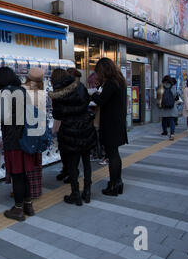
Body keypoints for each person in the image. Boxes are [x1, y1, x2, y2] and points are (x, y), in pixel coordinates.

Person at [0, 66, 37, 221]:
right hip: (26, 138)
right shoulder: (23, 90)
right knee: (25, 174)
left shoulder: (4, 93)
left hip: (13, 140)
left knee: (17, 175)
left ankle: (18, 209)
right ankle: (28, 205)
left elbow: (2, 118)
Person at [49, 68, 96, 205]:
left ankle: (75, 193)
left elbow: (57, 115)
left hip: (69, 131)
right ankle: (87, 191)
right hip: (86, 128)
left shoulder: (58, 94)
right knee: (86, 162)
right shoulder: (79, 86)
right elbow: (87, 101)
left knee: (72, 164)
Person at [90, 57, 128, 196]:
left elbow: (101, 100)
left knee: (112, 155)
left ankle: (113, 185)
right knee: (115, 154)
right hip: (117, 123)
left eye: (98, 72)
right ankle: (118, 182)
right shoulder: (120, 81)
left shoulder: (111, 83)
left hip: (111, 124)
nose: (98, 75)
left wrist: (93, 94)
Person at [22, 67, 45, 199]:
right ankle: (35, 191)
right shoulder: (41, 93)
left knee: (24, 161)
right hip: (37, 131)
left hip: (25, 130)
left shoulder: (22, 90)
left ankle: (22, 190)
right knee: (36, 161)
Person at [157, 75, 178, 141]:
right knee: (171, 120)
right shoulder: (173, 87)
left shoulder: (161, 86)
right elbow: (175, 95)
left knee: (164, 119)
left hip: (164, 106)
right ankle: (172, 134)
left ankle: (165, 131)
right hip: (171, 106)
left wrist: (159, 105)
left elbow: (159, 96)